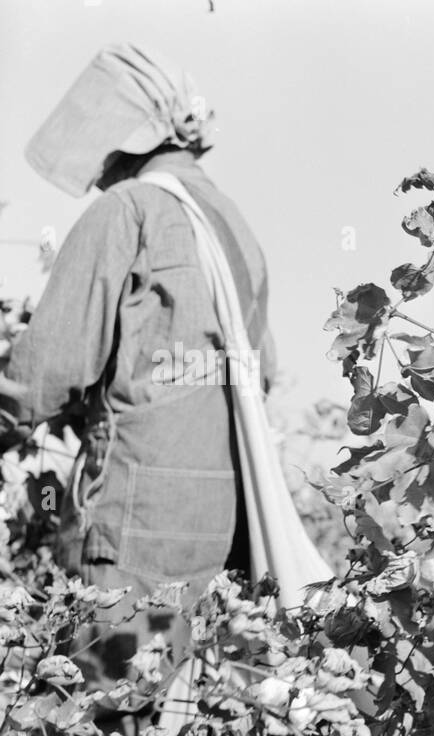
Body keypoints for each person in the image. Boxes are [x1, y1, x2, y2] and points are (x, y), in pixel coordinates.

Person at [0, 43, 276, 686]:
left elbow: (44, 375)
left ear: (114, 137)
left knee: (103, 719)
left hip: (135, 520)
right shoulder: (231, 223)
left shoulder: (125, 212)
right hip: (224, 527)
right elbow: (260, 375)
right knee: (188, 735)